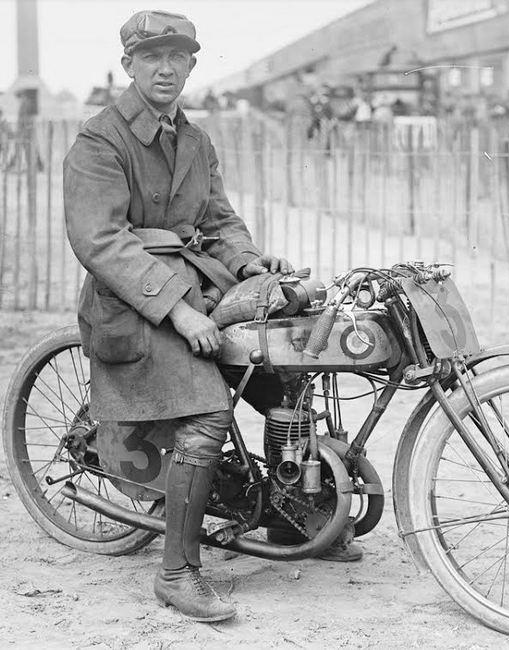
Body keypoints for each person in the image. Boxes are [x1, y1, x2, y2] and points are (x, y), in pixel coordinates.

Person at [63, 10, 294, 623]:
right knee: (208, 412)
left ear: (192, 63)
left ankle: (297, 516)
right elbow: (101, 240)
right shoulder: (100, 139)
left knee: (281, 371)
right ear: (129, 66)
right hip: (131, 304)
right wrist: (178, 312)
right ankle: (177, 572)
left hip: (200, 290)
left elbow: (218, 222)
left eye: (179, 57)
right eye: (152, 58)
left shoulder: (194, 140)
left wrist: (246, 264)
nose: (166, 68)